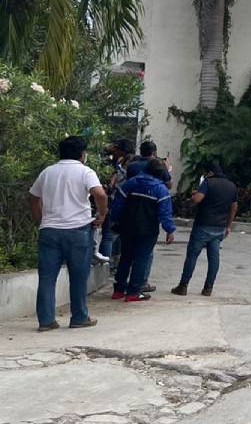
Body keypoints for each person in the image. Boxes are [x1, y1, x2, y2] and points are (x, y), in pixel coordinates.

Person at [28, 136, 107, 331]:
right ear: (82, 154)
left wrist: (42, 219)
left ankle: (46, 321)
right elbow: (100, 194)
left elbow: (32, 197)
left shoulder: (47, 172)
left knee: (47, 278)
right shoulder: (85, 172)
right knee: (79, 276)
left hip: (49, 231)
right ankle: (79, 317)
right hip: (77, 230)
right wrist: (102, 214)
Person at [109, 158, 176, 302]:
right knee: (141, 260)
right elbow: (165, 213)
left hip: (126, 227)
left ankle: (119, 290)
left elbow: (117, 204)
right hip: (148, 230)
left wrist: (114, 220)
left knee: (125, 258)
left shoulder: (130, 183)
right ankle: (133, 292)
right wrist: (169, 230)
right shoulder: (161, 190)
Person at [172, 161, 238, 297]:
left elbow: (197, 200)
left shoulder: (208, 182)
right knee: (214, 258)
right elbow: (234, 207)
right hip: (219, 227)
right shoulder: (231, 186)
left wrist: (193, 195)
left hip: (203, 225)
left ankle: (183, 286)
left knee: (192, 255)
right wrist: (228, 225)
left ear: (210, 172)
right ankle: (208, 288)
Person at [96, 138, 135, 262]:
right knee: (115, 234)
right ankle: (114, 260)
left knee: (108, 234)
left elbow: (116, 183)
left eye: (116, 148)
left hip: (116, 200)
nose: (113, 150)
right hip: (122, 200)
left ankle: (106, 262)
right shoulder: (128, 162)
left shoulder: (124, 165)